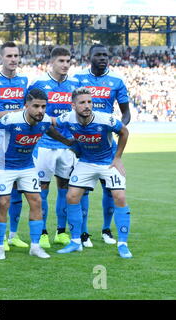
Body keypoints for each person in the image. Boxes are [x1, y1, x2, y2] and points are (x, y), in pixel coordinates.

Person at [0, 88, 73, 260]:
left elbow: (49, 129)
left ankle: (35, 246)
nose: (40, 111)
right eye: (36, 106)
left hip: (27, 166)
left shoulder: (43, 120)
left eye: (43, 106)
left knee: (36, 202)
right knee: (3, 203)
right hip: (4, 166)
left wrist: (66, 141)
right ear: (26, 106)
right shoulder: (11, 120)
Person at [55, 87, 132, 259]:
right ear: (73, 105)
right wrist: (68, 143)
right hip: (86, 162)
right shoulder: (67, 118)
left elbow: (124, 132)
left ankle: (123, 244)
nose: (87, 106)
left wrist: (118, 158)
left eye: (89, 102)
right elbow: (51, 124)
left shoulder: (105, 119)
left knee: (119, 197)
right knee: (71, 196)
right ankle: (75, 242)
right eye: (82, 102)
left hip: (108, 162)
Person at [73, 44, 131, 246]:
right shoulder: (77, 79)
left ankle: (107, 230)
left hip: (105, 142)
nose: (103, 58)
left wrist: (116, 126)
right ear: (89, 57)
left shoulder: (116, 81)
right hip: (83, 143)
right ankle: (83, 232)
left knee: (110, 189)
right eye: (98, 55)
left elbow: (126, 112)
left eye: (105, 55)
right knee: (83, 189)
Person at [28, 47, 81, 248]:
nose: (65, 64)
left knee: (65, 189)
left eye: (68, 60)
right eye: (61, 61)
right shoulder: (40, 84)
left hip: (67, 148)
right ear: (52, 62)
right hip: (44, 145)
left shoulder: (75, 85)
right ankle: (42, 232)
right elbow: (31, 111)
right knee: (42, 190)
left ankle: (61, 231)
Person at [0, 41, 30, 251]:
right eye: (9, 56)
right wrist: (5, 115)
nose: (13, 59)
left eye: (16, 56)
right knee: (0, 191)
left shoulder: (24, 81)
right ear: (0, 58)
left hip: (19, 140)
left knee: (18, 190)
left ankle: (13, 234)